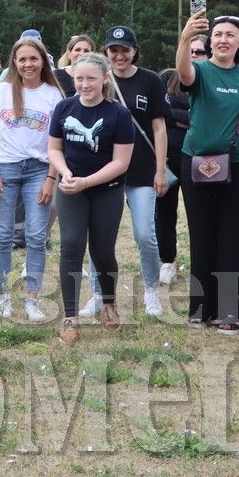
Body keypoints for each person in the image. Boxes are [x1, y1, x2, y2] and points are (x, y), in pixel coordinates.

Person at [175, 8, 239, 333]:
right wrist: (185, 37)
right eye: (218, 35)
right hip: (196, 161)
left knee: (233, 237)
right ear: (210, 41)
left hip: (238, 164)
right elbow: (183, 74)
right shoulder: (199, 71)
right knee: (202, 234)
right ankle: (200, 308)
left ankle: (230, 311)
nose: (224, 40)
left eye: (230, 35)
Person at [84, 26, 168, 319]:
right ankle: (98, 292)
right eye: (113, 50)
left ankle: (151, 290)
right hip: (105, 171)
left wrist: (160, 169)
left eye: (125, 50)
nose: (119, 55)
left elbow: (158, 127)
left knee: (145, 234)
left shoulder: (151, 81)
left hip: (143, 171)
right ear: (105, 51)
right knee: (100, 236)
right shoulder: (98, 80)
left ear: (135, 50)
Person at [49, 52, 134, 339]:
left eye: (91, 79)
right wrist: (65, 173)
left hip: (106, 190)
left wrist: (87, 182)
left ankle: (108, 303)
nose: (84, 84)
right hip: (72, 188)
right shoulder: (63, 108)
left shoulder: (118, 114)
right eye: (79, 78)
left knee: (102, 251)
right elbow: (54, 149)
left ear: (105, 80)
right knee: (71, 245)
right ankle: (70, 317)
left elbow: (120, 163)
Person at [0, 36, 63, 323]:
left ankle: (32, 299)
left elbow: (57, 141)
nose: (28, 64)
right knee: (3, 236)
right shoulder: (3, 91)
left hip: (38, 170)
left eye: (34, 59)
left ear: (43, 61)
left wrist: (50, 178)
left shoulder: (53, 95)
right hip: (5, 168)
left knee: (36, 236)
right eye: (23, 59)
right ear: (14, 63)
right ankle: (3, 296)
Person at [156, 67, 188, 286]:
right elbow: (158, 114)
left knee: (199, 214)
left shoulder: (210, 81)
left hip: (199, 157)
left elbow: (204, 116)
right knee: (165, 210)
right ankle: (167, 261)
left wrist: (171, 118)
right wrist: (180, 120)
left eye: (199, 51)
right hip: (168, 158)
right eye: (191, 51)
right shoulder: (167, 77)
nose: (195, 56)